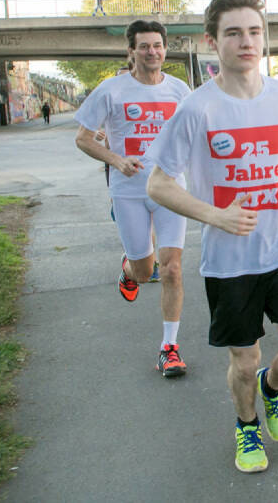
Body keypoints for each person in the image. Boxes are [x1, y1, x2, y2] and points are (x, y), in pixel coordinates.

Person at [146, 0, 278, 473]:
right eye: (234, 33)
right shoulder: (197, 108)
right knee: (243, 361)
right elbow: (159, 184)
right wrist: (214, 215)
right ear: (211, 41)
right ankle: (246, 427)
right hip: (229, 262)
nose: (247, 42)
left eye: (255, 32)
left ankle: (273, 387)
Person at [73, 20, 191, 377]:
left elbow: (195, 133)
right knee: (145, 272)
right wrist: (117, 160)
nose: (152, 52)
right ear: (131, 51)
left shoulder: (180, 90)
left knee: (171, 269)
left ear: (165, 50)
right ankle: (130, 268)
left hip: (170, 188)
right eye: (144, 46)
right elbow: (84, 138)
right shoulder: (111, 90)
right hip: (128, 191)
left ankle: (169, 348)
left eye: (157, 45)